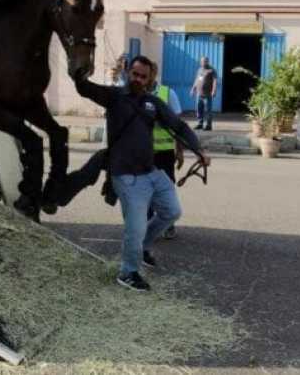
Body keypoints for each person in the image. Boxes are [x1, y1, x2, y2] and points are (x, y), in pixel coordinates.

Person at [73, 55, 209, 292]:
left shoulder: (152, 103)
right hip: (126, 175)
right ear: (128, 72)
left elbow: (180, 126)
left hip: (152, 171)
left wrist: (198, 149)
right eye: (134, 74)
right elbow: (84, 88)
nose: (138, 79)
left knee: (172, 211)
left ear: (149, 79)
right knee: (134, 227)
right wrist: (78, 69)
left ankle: (143, 248)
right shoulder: (114, 97)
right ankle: (128, 272)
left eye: (143, 76)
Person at [148, 62, 184, 240]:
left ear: (154, 73)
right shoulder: (133, 93)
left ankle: (168, 223)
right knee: (143, 189)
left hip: (164, 152)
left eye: (151, 72)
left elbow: (178, 124)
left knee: (165, 189)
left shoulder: (168, 93)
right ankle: (147, 225)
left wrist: (180, 150)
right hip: (141, 153)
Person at [190, 56, 217, 131]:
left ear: (208, 62)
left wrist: (214, 90)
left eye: (205, 61)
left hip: (207, 94)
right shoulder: (199, 70)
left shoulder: (212, 70)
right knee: (199, 109)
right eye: (202, 61)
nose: (203, 63)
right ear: (200, 62)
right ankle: (200, 124)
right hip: (199, 94)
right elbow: (197, 80)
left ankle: (208, 125)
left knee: (208, 110)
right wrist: (193, 89)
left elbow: (215, 81)